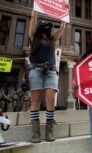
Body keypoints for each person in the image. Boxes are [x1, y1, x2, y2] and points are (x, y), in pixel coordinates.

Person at [27, 10, 66, 143]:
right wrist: (35, 12)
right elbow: (32, 22)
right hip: (36, 70)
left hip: (50, 71)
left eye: (48, 28)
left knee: (50, 98)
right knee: (36, 101)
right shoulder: (34, 37)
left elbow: (61, 29)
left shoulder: (51, 40)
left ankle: (49, 131)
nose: (46, 30)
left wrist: (64, 18)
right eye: (44, 28)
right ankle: (35, 133)